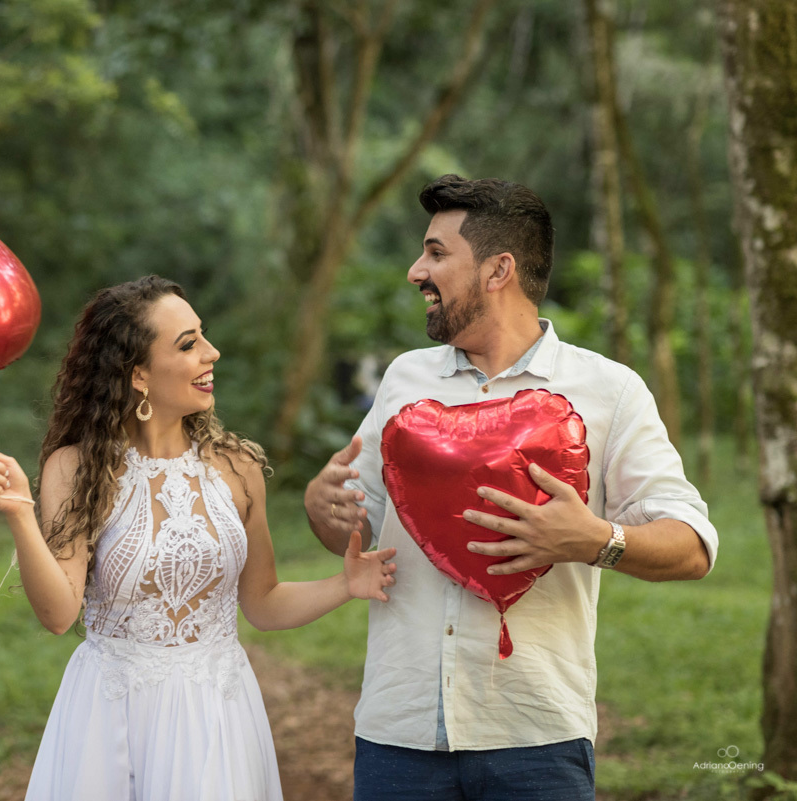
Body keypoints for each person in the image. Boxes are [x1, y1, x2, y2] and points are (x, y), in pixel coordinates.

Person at [304, 175, 719, 801]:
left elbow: (693, 546)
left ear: (499, 270)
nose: (416, 271)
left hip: (536, 738)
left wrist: (595, 540)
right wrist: (322, 505)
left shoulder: (610, 390)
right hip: (398, 733)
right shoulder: (403, 380)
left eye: (437, 253)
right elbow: (352, 527)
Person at [0, 275, 398, 801]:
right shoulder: (77, 467)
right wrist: (19, 514)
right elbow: (59, 613)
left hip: (218, 711)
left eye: (204, 336)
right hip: (112, 717)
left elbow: (262, 604)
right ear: (139, 375)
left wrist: (345, 584)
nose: (211, 353)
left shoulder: (237, 467)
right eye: (189, 344)